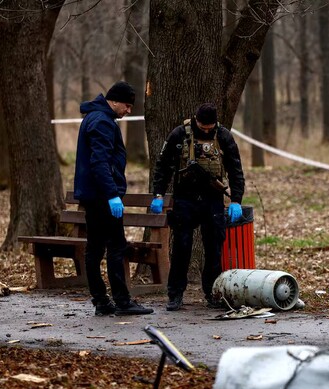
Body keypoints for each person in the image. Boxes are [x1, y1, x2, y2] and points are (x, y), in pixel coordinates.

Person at [150, 103, 245, 311]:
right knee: (182, 247)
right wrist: (158, 193)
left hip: (213, 200)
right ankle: (175, 294)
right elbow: (163, 165)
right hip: (185, 198)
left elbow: (235, 169)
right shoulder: (179, 135)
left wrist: (236, 199)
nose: (207, 130)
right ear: (196, 120)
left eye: (210, 127)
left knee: (213, 248)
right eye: (203, 126)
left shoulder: (224, 136)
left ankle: (212, 293)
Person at [74, 81, 154, 316]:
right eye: (127, 106)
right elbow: (100, 163)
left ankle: (101, 301)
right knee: (116, 247)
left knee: (95, 249)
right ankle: (122, 301)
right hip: (102, 196)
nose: (128, 111)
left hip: (93, 195)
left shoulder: (94, 117)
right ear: (115, 101)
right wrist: (111, 195)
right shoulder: (102, 122)